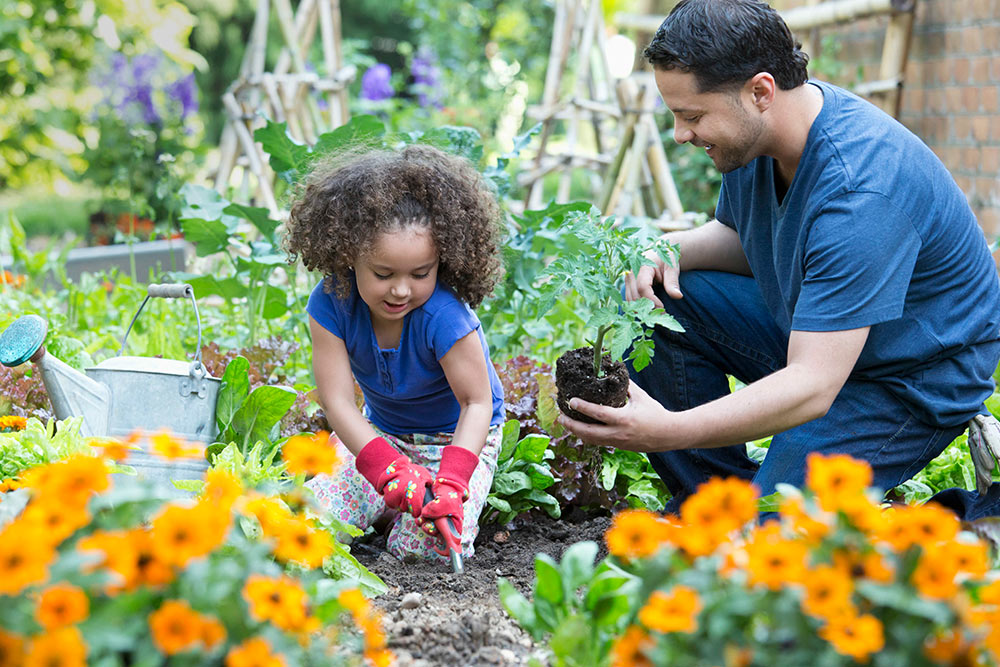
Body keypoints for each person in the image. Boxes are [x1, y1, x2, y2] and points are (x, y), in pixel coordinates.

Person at [560, 0, 1000, 519]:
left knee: (773, 541)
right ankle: (715, 506)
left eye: (692, 115)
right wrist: (667, 248)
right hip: (818, 337)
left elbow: (812, 386)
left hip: (906, 378)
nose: (681, 134)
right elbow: (748, 239)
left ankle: (964, 524)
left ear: (761, 91)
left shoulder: (860, 193)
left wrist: (666, 430)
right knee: (656, 299)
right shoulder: (754, 141)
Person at [283, 144, 506, 561]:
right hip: (381, 433)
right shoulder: (331, 303)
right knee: (310, 525)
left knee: (424, 553)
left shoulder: (443, 317)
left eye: (421, 274)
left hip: (454, 440)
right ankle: (387, 502)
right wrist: (389, 469)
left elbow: (477, 403)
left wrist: (453, 483)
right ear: (350, 257)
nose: (402, 290)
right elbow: (337, 402)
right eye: (383, 274)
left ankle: (396, 514)